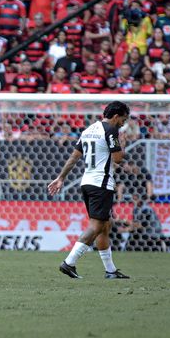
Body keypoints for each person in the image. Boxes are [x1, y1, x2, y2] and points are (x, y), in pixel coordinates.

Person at [48, 101, 131, 279]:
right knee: (96, 226)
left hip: (87, 182)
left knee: (105, 225)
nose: (123, 123)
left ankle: (110, 270)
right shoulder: (111, 130)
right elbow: (117, 158)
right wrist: (122, 147)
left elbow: (74, 156)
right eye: (123, 119)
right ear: (116, 116)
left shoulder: (89, 130)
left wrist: (61, 177)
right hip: (101, 183)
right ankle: (69, 263)